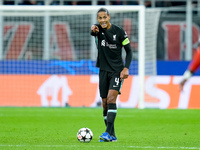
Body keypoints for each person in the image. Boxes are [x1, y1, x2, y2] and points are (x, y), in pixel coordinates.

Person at [90, 8, 132, 142]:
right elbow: (92, 32)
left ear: (109, 17)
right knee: (104, 103)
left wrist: (126, 68)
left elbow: (129, 52)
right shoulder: (97, 30)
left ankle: (107, 133)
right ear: (98, 19)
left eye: (104, 17)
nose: (102, 20)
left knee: (111, 99)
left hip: (116, 71)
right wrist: (93, 30)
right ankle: (112, 135)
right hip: (103, 70)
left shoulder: (119, 32)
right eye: (100, 18)